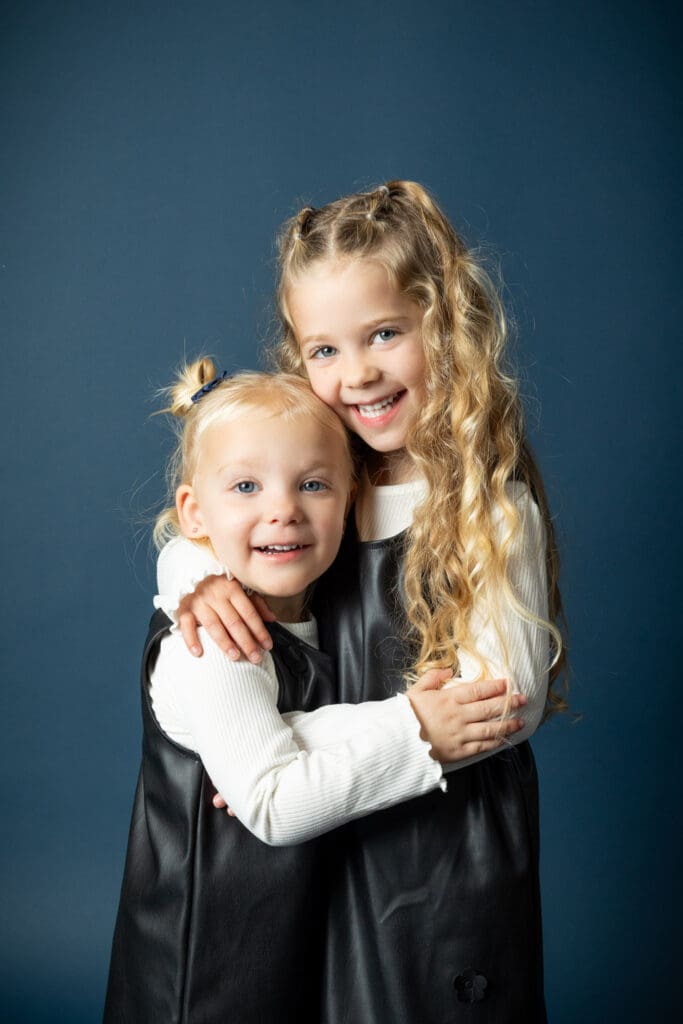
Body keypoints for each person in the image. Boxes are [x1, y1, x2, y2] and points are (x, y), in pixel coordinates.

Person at [159, 181, 567, 1023]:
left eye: (385, 334)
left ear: (444, 329)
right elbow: (206, 518)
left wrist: (280, 753)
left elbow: (492, 713)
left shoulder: (489, 509)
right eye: (325, 351)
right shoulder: (314, 477)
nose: (359, 373)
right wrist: (189, 577)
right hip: (326, 826)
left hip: (439, 853)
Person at [105, 364, 526, 1024]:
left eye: (312, 484)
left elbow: (297, 738)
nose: (282, 509)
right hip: (202, 964)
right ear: (193, 512)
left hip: (286, 943)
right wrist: (414, 727)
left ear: (351, 497)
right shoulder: (214, 640)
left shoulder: (312, 604)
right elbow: (273, 801)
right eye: (246, 486)